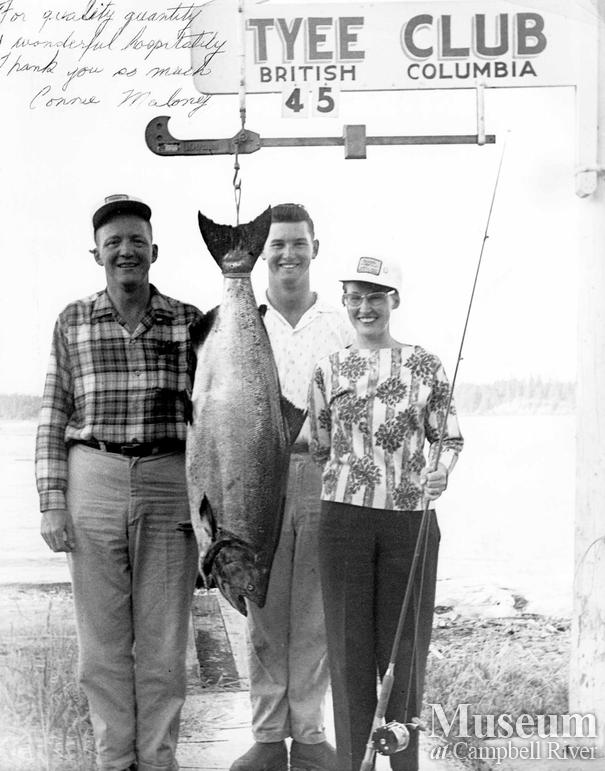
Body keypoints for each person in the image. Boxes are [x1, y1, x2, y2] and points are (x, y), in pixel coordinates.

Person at [35, 194, 203, 771]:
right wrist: (52, 503)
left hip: (168, 478)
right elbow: (53, 414)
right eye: (114, 243)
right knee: (102, 649)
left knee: (162, 647)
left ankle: (157, 760)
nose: (125, 250)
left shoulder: (189, 321)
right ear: (97, 254)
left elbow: (217, 417)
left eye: (136, 240)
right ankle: (114, 760)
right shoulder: (72, 320)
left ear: (153, 250)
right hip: (93, 478)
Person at [307, 256, 464, 771]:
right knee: (349, 658)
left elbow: (449, 437)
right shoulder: (328, 368)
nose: (365, 307)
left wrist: (439, 471)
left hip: (409, 521)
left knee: (405, 657)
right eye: (355, 296)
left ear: (393, 300)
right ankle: (355, 764)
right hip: (343, 521)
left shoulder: (426, 364)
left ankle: (404, 766)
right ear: (346, 301)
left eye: (376, 296)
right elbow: (319, 444)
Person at [231, 203, 354, 771]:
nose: (286, 254)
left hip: (324, 474)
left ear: (315, 247)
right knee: (261, 605)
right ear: (261, 253)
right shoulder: (241, 323)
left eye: (297, 242)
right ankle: (266, 733)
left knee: (313, 610)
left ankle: (307, 732)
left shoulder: (341, 324)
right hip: (258, 472)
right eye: (275, 244)